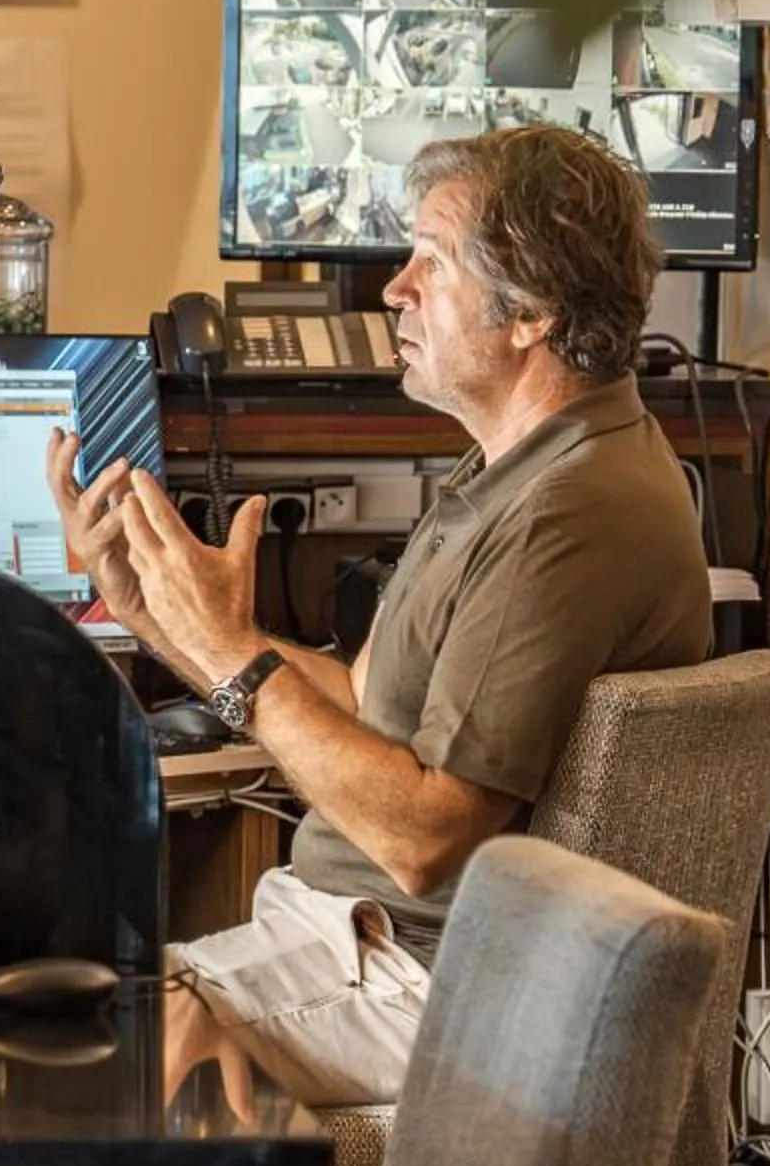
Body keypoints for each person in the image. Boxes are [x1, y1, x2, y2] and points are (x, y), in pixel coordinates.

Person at [49, 126, 708, 1115]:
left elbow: (424, 838)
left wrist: (229, 651)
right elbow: (363, 699)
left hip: (432, 983)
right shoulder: (529, 464)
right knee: (41, 1013)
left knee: (61, 1065)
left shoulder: (570, 514)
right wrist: (161, 621)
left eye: (429, 264)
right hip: (363, 941)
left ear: (529, 310)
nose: (393, 289)